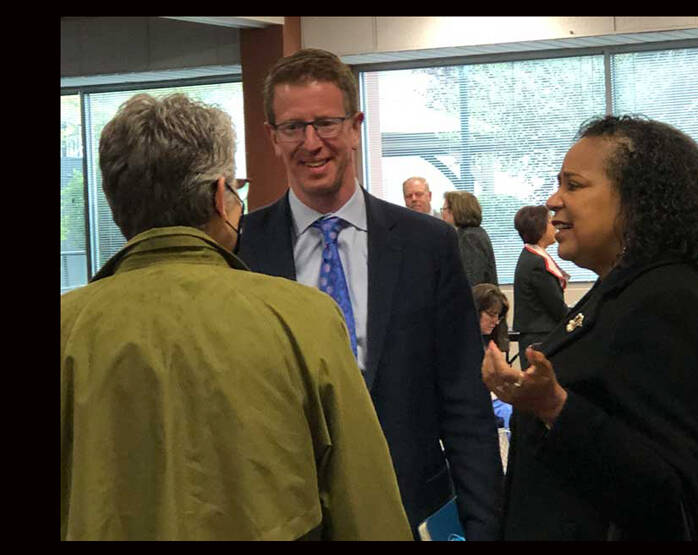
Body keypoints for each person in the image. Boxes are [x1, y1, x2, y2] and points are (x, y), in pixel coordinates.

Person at [60, 93, 412, 541]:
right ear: (220, 195)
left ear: (115, 203)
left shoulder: (67, 328)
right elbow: (365, 506)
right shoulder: (302, 318)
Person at [238, 48, 503, 540]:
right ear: (272, 137)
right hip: (284, 518)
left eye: (326, 123)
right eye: (293, 127)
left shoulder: (429, 245)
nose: (311, 143)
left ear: (356, 125)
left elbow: (464, 402)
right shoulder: (241, 249)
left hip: (409, 509)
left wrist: (483, 525)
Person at [481, 114, 698, 540]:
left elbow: (665, 493)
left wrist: (555, 407)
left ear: (638, 199)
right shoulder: (624, 289)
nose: (552, 200)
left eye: (573, 185)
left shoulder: (665, 302)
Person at [512, 205, 569, 369]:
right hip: (540, 337)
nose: (555, 226)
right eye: (551, 222)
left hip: (538, 335)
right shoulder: (536, 262)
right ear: (540, 228)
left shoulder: (531, 256)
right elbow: (555, 306)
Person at [472, 284, 512, 431]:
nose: (495, 321)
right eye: (491, 314)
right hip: (480, 402)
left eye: (498, 316)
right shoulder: (460, 344)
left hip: (495, 398)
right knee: (512, 414)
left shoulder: (488, 342)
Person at [442, 191, 498, 287]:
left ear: (455, 210)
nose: (442, 214)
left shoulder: (469, 238)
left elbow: (471, 280)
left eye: (444, 209)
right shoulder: (475, 233)